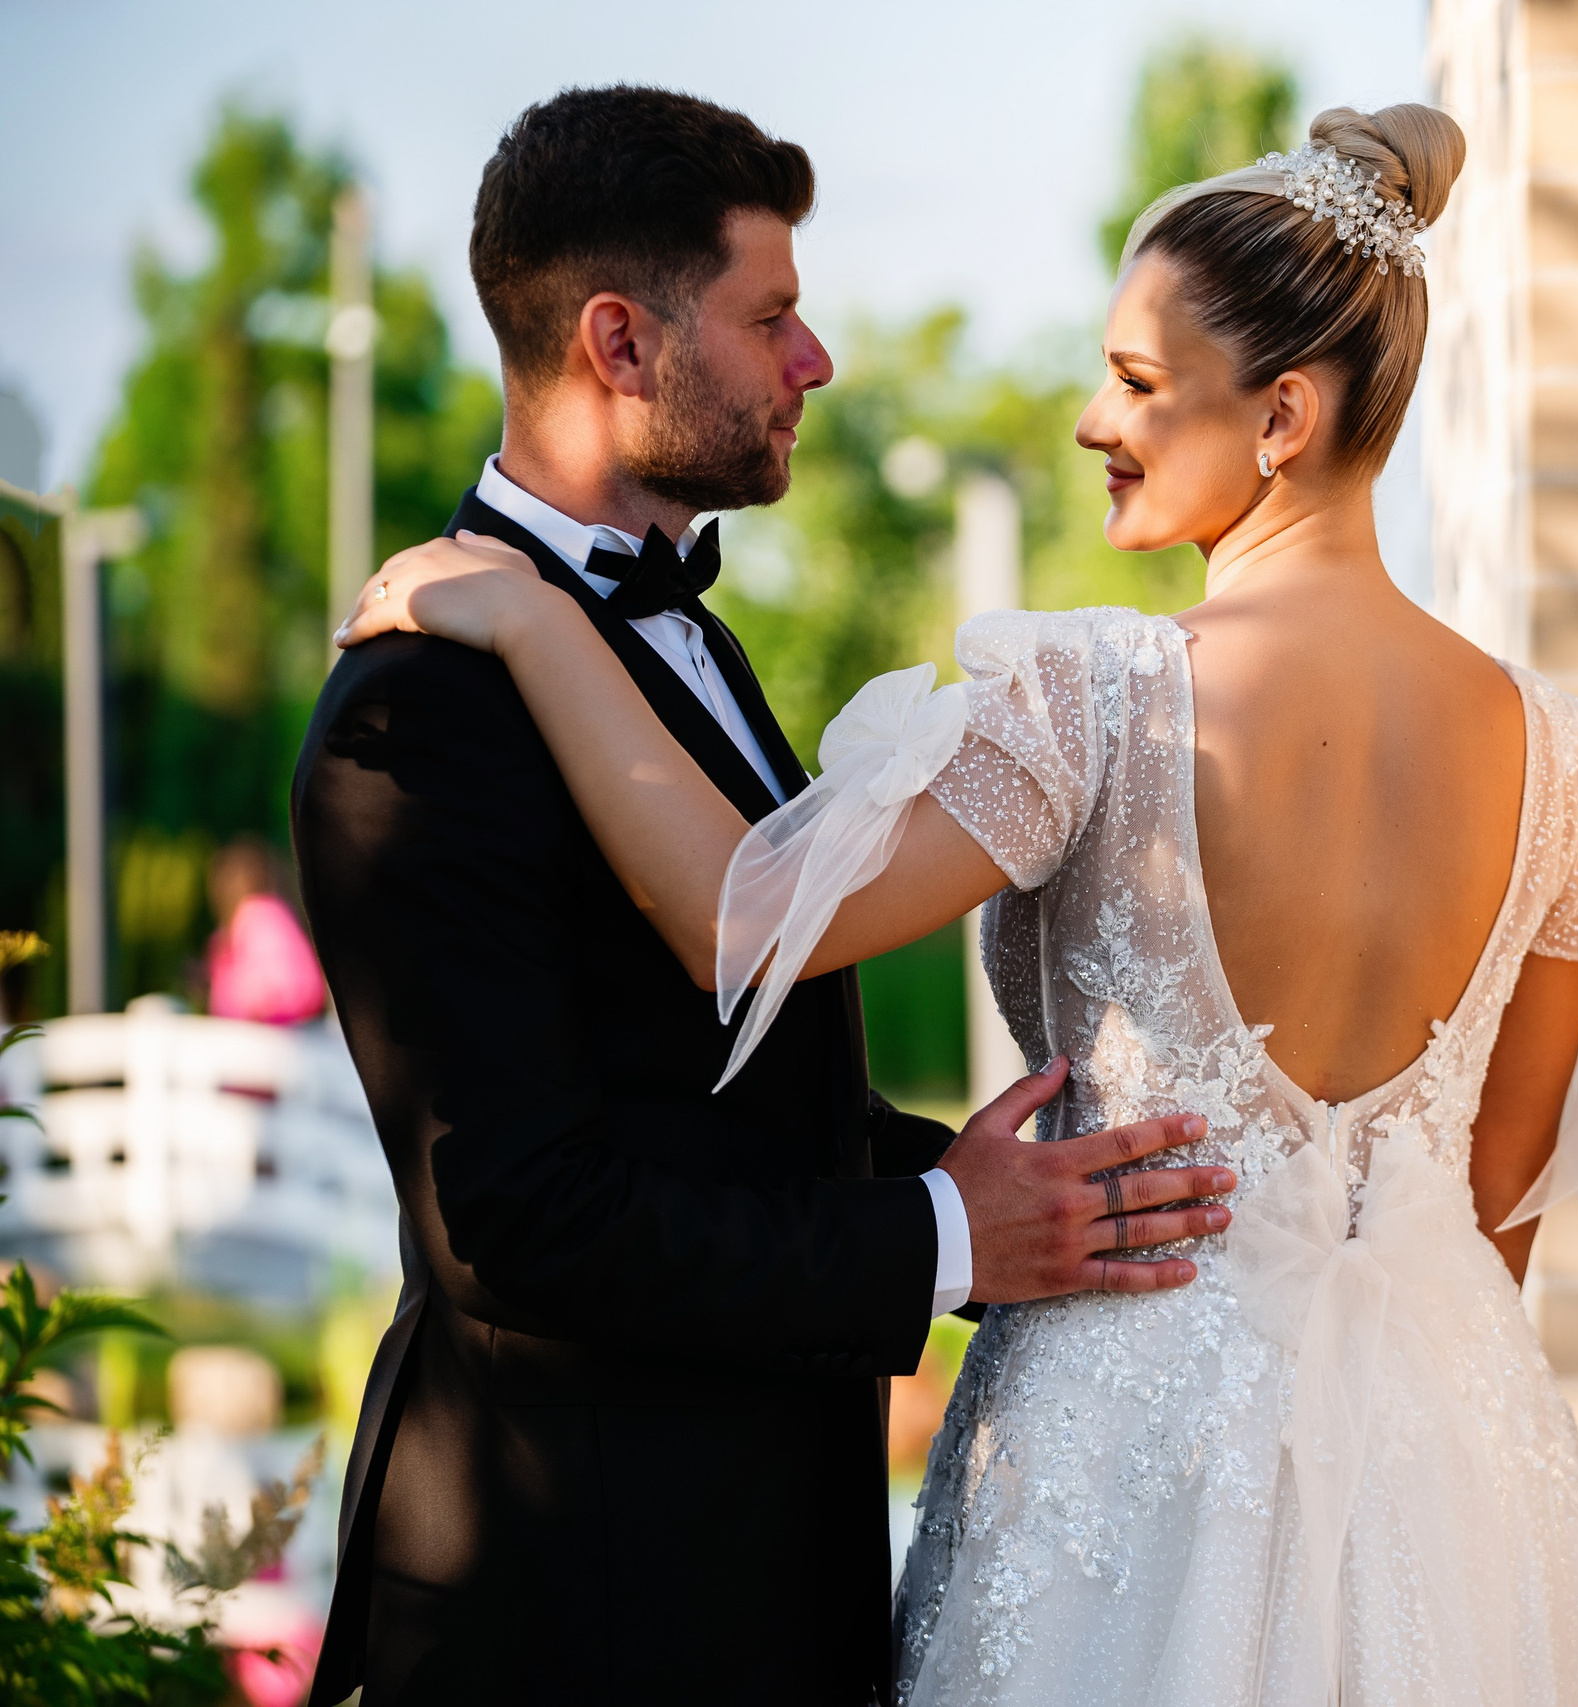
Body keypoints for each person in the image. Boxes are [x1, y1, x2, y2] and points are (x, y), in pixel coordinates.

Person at [341, 102, 1578, 1707]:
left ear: (1284, 416)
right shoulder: (1576, 765)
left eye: (1135, 382)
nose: (1091, 420)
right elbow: (1495, 1191)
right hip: (1452, 1476)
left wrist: (539, 628)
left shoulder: (1093, 697)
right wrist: (1395, 1453)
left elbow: (744, 926)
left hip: (1120, 1451)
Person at [292, 87, 1229, 1707]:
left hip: (756, 1569)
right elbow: (514, 1220)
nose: (817, 361)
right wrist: (941, 1234)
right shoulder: (417, 711)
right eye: (772, 314)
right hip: (574, 1602)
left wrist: (990, 1187)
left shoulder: (691, 640)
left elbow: (704, 1077)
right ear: (619, 342)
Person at [204, 837, 328, 1025]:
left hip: (271, 1037)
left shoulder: (259, 916)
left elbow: (283, 989)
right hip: (273, 1038)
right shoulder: (250, 922)